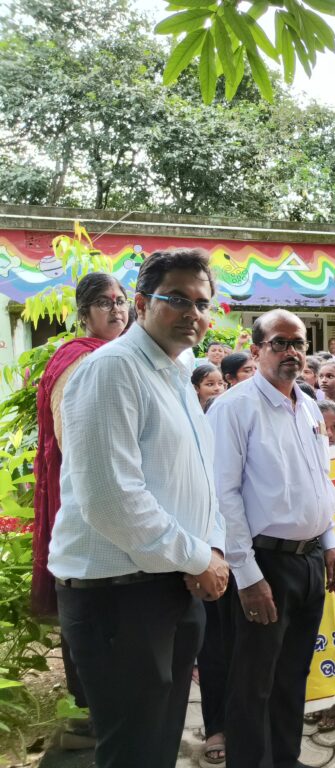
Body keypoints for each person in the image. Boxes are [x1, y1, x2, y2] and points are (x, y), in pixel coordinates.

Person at [49, 248, 229, 768]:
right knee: (133, 752)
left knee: (158, 743)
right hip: (119, 601)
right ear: (144, 302)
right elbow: (112, 500)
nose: (192, 312)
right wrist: (200, 557)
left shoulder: (177, 373)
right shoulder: (110, 371)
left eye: (202, 302)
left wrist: (208, 549)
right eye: (177, 299)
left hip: (172, 583)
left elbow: (200, 476)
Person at [207, 309, 335, 768]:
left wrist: (329, 543)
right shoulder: (234, 408)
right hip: (262, 565)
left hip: (308, 564)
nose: (291, 353)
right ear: (255, 350)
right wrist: (246, 575)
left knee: (291, 675)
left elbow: (319, 480)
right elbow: (223, 496)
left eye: (298, 344)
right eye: (279, 344)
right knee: (252, 683)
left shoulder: (306, 403)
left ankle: (285, 759)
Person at [33, 272, 130, 750]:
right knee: (97, 611)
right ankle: (96, 717)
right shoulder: (78, 361)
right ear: (83, 313)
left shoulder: (112, 356)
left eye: (120, 300)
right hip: (93, 509)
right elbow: (82, 447)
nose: (116, 310)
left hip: (115, 508)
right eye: (103, 303)